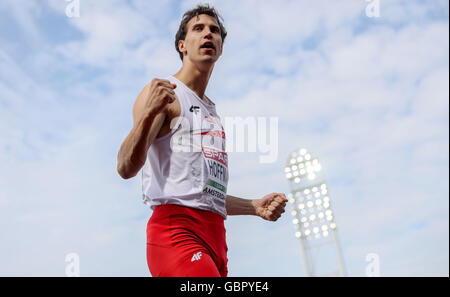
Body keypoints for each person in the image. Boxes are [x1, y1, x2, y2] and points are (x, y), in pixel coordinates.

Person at [117, 4, 288, 277]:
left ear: (220, 48)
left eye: (214, 30)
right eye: (199, 28)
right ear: (182, 45)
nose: (208, 33)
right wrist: (149, 114)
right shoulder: (164, 93)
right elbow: (125, 167)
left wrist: (253, 206)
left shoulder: (212, 112)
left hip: (216, 238)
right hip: (177, 232)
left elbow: (203, 194)